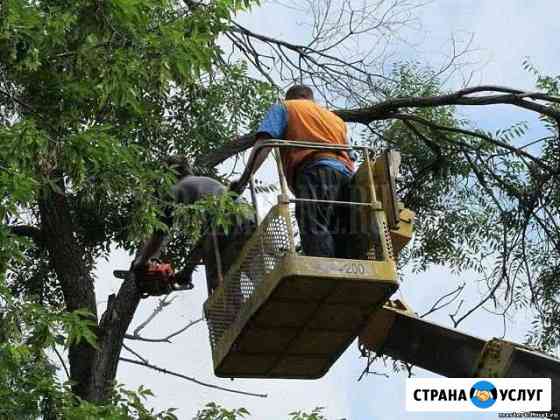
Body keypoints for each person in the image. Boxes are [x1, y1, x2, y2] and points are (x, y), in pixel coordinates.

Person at [233, 85, 354, 258]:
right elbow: (351, 153)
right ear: (310, 98)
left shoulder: (285, 107)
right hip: (345, 177)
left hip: (315, 171)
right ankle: (348, 273)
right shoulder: (336, 120)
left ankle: (324, 277)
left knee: (313, 224)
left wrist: (244, 180)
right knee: (341, 232)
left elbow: (264, 145)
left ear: (291, 97)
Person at [132, 170, 254, 296]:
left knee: (223, 290)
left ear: (171, 175)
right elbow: (204, 240)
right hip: (249, 219)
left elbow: (159, 234)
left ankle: (235, 313)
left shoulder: (176, 188)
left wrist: (141, 261)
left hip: (226, 231)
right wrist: (187, 271)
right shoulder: (205, 185)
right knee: (263, 273)